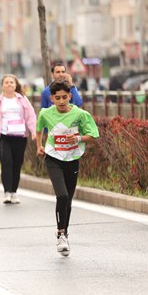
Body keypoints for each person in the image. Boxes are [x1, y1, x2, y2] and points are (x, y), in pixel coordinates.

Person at [36, 81, 99, 257]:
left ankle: (65, 233)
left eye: (65, 97)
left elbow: (93, 135)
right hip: (53, 158)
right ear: (52, 98)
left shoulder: (80, 114)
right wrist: (39, 145)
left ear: (70, 96)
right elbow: (39, 128)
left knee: (68, 200)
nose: (61, 101)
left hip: (72, 159)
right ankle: (60, 234)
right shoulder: (46, 113)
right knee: (62, 195)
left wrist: (78, 139)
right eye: (57, 98)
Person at [0, 74, 37, 204]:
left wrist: (33, 131)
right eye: (6, 82)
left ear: (15, 85)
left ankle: (14, 192)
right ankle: (7, 192)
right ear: (2, 86)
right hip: (3, 137)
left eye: (11, 82)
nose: (9, 84)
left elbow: (31, 116)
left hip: (20, 136)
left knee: (17, 164)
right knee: (7, 162)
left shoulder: (23, 100)